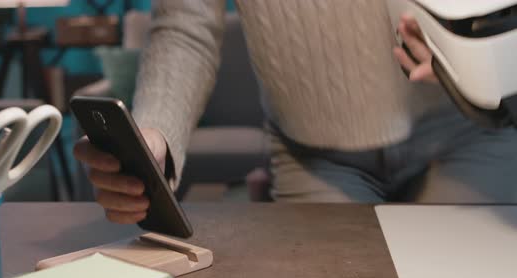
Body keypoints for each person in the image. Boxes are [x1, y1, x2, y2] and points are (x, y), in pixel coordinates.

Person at [74, 0, 517, 224]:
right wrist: (156, 133)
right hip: (315, 157)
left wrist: (480, 50)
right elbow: (185, 25)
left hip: (465, 134)